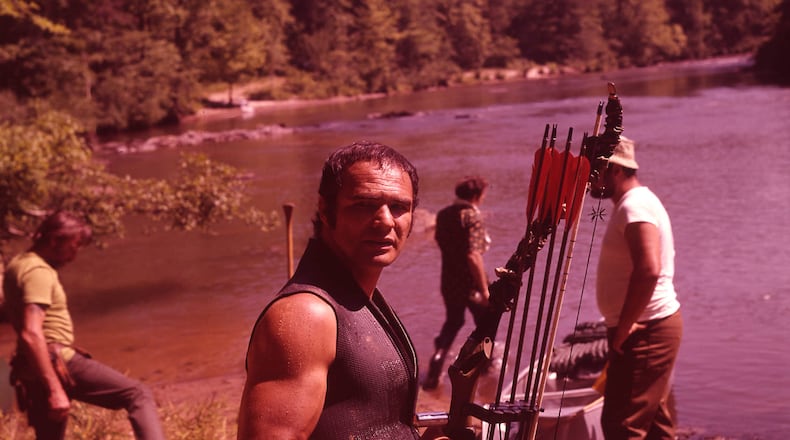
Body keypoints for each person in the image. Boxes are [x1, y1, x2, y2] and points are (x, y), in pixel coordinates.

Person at [238, 141, 422, 439]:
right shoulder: (306, 315)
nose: (386, 221)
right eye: (364, 205)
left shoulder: (355, 296)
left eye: (400, 207)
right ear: (325, 210)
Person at [3, 211, 165, 440]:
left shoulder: (19, 263)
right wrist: (55, 389)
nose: (74, 254)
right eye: (73, 246)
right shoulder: (38, 272)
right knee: (138, 395)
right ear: (54, 240)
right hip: (56, 361)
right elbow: (31, 333)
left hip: (30, 366)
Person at [590, 136, 682, 439]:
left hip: (644, 330)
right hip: (646, 328)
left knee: (622, 427)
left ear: (615, 170)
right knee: (656, 426)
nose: (588, 178)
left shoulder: (635, 206)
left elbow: (648, 271)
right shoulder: (634, 204)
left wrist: (623, 328)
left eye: (594, 170)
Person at [423, 176, 491, 391]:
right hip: (471, 283)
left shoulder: (443, 215)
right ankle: (483, 368)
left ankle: (437, 360)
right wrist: (484, 290)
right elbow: (473, 256)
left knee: (453, 322)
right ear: (476, 196)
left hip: (449, 280)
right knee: (486, 324)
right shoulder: (472, 216)